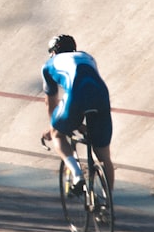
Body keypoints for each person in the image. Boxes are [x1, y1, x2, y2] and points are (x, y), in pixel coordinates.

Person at [41, 34, 114, 193]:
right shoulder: (87, 57)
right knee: (103, 156)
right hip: (101, 96)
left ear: (53, 52)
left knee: (57, 134)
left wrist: (54, 126)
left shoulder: (49, 65)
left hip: (76, 98)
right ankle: (107, 207)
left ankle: (77, 174)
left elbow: (50, 102)